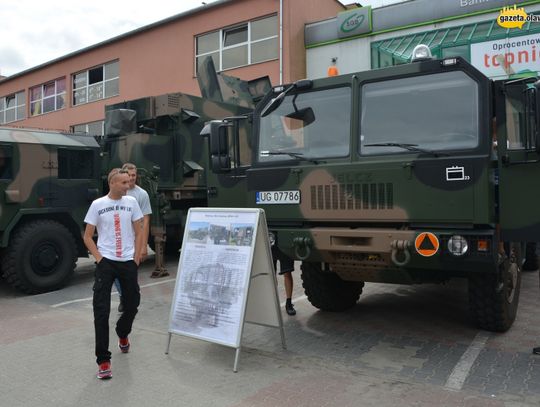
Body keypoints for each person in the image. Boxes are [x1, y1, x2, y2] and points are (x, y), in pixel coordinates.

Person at [83, 168, 143, 380]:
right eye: (124, 183)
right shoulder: (97, 205)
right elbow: (88, 236)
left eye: (129, 182)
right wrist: (99, 258)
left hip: (127, 261)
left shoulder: (132, 203)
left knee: (132, 303)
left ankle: (122, 332)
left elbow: (139, 231)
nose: (128, 186)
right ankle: (103, 360)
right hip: (106, 262)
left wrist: (136, 258)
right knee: (101, 310)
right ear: (113, 184)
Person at [114, 163, 152, 311]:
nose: (131, 179)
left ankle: (130, 298)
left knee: (130, 273)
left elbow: (146, 221)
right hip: (118, 239)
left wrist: (143, 246)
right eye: (128, 176)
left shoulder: (142, 194)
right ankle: (124, 296)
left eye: (133, 176)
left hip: (133, 241)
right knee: (116, 273)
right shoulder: (118, 192)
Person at [272, 246, 296, 315]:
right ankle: (273, 302)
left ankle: (288, 303)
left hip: (285, 245)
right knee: (272, 275)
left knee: (287, 273)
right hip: (270, 242)